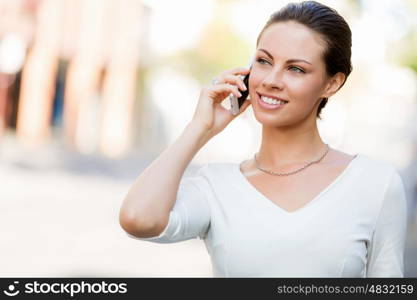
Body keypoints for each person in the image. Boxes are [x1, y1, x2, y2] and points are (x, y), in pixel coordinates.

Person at [119, 1, 407, 277]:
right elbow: (137, 219)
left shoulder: (376, 184)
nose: (271, 80)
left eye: (296, 69)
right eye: (264, 61)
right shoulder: (217, 185)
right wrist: (199, 129)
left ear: (331, 83)